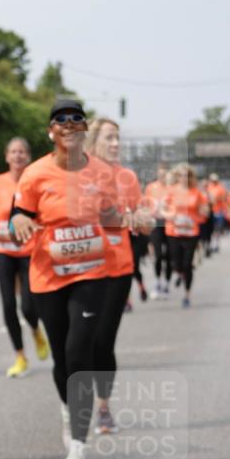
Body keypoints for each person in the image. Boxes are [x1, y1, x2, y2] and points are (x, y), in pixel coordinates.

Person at [10, 99, 119, 459]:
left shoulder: (101, 172)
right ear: (51, 131)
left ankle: (78, 449)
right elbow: (18, 215)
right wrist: (19, 223)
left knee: (78, 352)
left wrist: (132, 219)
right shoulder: (35, 174)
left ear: (84, 129)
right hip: (48, 277)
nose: (69, 124)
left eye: (76, 119)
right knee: (61, 358)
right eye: (61, 120)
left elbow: (110, 216)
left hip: (91, 274)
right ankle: (68, 410)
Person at [84, 119, 153, 434]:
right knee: (80, 341)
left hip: (118, 268)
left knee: (103, 341)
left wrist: (143, 219)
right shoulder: (78, 175)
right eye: (109, 138)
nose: (115, 144)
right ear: (93, 141)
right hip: (83, 269)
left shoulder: (128, 177)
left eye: (117, 138)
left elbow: (142, 220)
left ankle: (103, 406)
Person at [0, 137, 49, 378]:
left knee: (29, 307)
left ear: (28, 156)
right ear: (7, 157)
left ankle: (35, 329)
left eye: (22, 152)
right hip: (4, 250)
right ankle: (20, 356)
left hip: (29, 250)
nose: (17, 156)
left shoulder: (34, 181)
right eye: (13, 152)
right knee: (8, 305)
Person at [163, 163, 209, 308]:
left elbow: (205, 211)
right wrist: (170, 216)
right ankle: (179, 272)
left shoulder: (197, 193)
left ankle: (187, 295)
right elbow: (162, 210)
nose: (184, 178)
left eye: (187, 176)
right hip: (174, 231)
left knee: (187, 264)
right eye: (181, 175)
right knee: (176, 263)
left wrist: (204, 211)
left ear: (191, 177)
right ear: (177, 177)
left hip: (191, 232)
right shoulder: (171, 191)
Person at [144, 165, 171, 298]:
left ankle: (166, 283)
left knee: (169, 256)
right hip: (156, 224)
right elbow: (145, 204)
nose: (162, 177)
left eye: (165, 175)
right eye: (160, 174)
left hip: (169, 224)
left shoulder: (172, 188)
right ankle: (158, 282)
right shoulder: (151, 188)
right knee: (158, 255)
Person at [207, 172, 228, 252]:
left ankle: (216, 244)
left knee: (218, 228)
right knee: (211, 228)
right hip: (211, 211)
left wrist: (217, 198)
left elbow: (224, 198)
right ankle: (211, 244)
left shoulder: (221, 188)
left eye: (215, 180)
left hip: (219, 211)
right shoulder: (209, 187)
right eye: (212, 180)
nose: (213, 181)